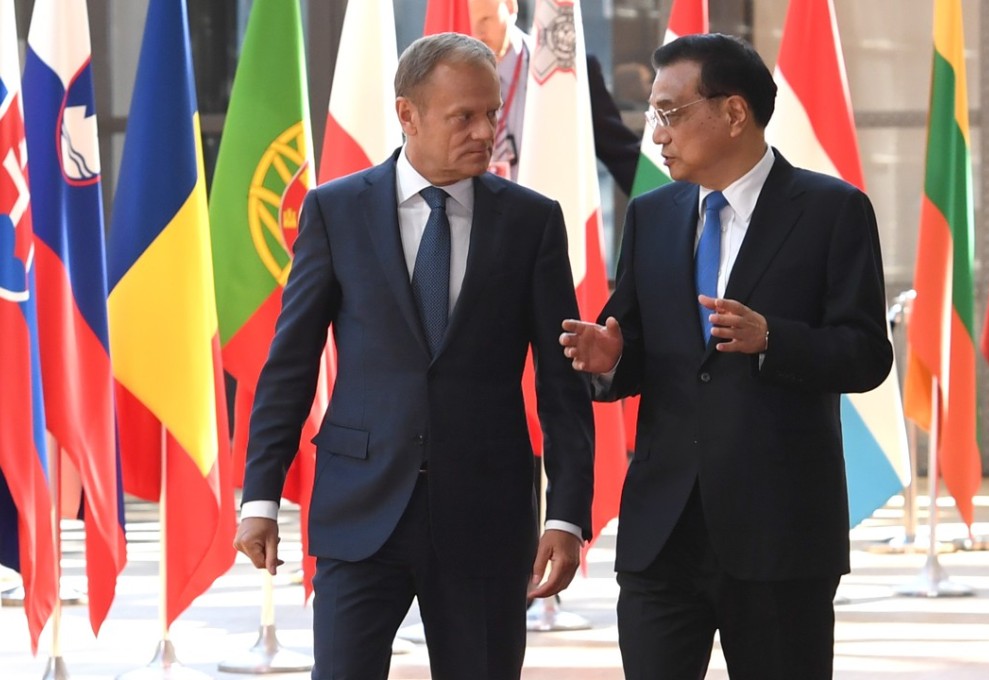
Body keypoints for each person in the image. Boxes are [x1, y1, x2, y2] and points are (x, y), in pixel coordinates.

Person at [234, 33, 595, 680]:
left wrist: (567, 512)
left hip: (487, 513)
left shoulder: (532, 222)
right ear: (409, 115)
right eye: (465, 116)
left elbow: (561, 382)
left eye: (492, 113)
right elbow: (290, 363)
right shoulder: (334, 211)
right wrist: (259, 494)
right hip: (359, 506)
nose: (486, 130)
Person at [559, 33, 892, 679]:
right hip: (662, 533)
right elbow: (635, 346)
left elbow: (866, 355)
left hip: (779, 533)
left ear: (734, 112)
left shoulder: (832, 210)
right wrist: (609, 360)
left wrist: (775, 339)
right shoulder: (652, 214)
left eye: (670, 112)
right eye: (651, 113)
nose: (655, 132)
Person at [467, 0, 640, 192]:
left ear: (510, 6)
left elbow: (622, 154)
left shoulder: (567, 73)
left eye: (486, 19)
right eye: (468, 21)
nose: (477, 32)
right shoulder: (447, 77)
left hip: (547, 211)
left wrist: (673, 204)